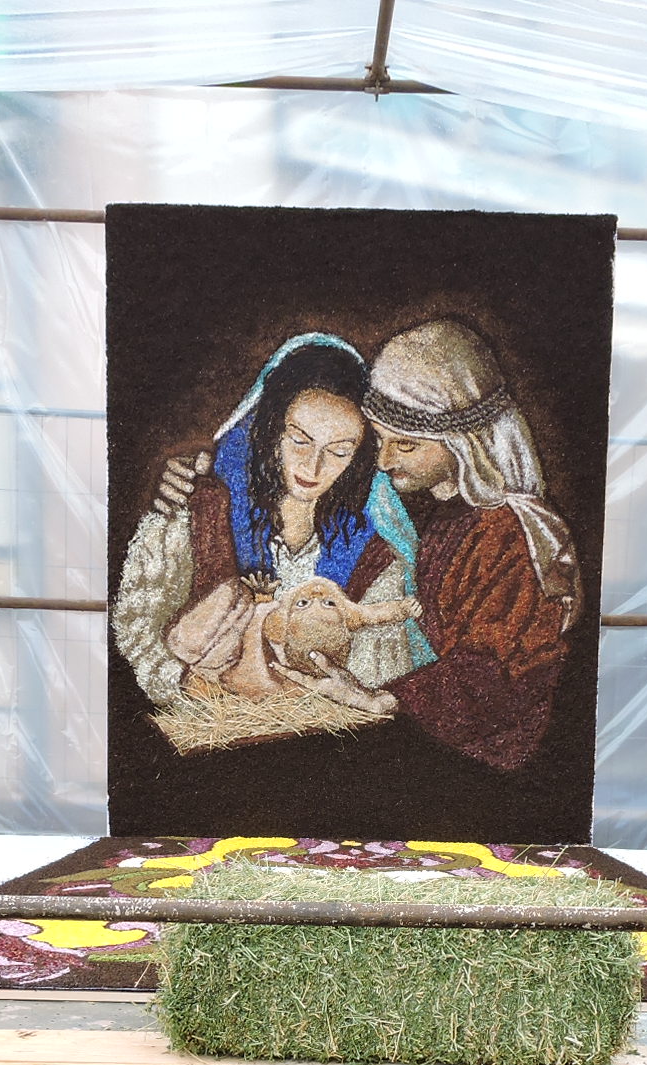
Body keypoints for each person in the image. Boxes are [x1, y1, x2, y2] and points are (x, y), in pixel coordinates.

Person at [119, 333, 422, 707]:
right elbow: (138, 628)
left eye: (339, 452)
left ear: (358, 459)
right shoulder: (200, 509)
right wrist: (192, 690)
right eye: (299, 440)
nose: (313, 466)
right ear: (269, 430)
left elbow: (382, 672)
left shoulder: (371, 552)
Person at [359, 317, 579, 773]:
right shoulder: (442, 512)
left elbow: (493, 675)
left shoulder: (509, 536)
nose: (383, 461)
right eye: (379, 440)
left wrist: (384, 699)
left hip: (491, 760)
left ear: (464, 444)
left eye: (405, 444)